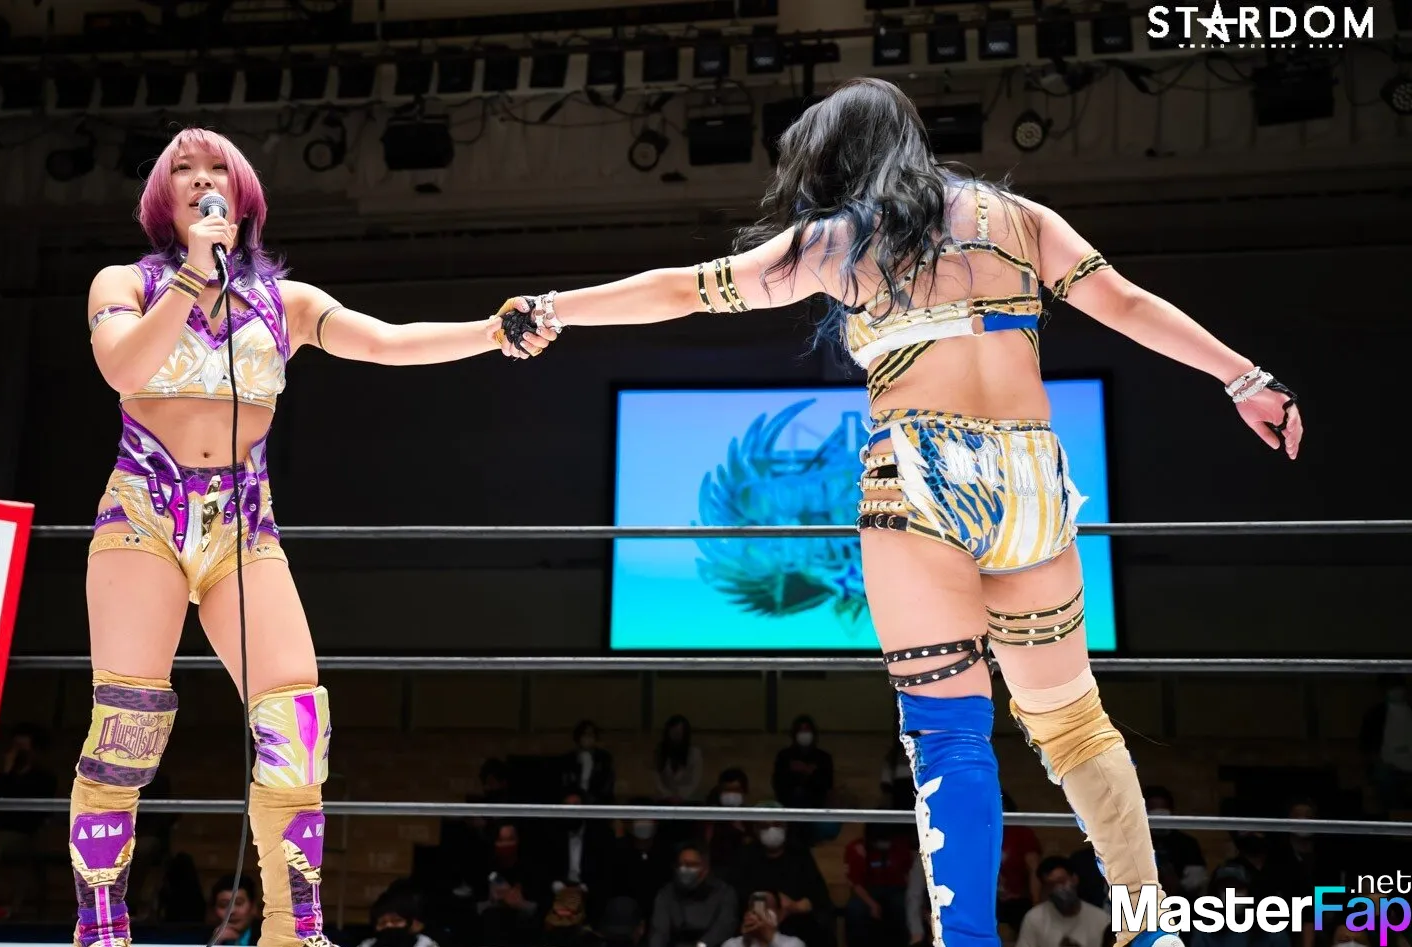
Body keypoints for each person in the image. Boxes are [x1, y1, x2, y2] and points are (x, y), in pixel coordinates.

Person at [493, 77, 1301, 947]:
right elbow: (1127, 303)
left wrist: (554, 308)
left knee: (949, 735)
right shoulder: (1019, 218)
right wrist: (1244, 377)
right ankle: (1150, 930)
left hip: (919, 476)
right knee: (1074, 725)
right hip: (1033, 476)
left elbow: (684, 290)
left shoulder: (842, 239)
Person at [73, 126, 555, 947]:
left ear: (243, 193)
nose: (200, 179)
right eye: (183, 169)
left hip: (243, 528)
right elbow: (121, 368)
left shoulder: (284, 301)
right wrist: (192, 274)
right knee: (128, 723)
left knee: (296, 719)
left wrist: (488, 329)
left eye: (216, 168)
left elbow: (386, 342)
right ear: (162, 196)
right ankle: (103, 930)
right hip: (142, 517)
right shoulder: (125, 283)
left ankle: (292, 930)